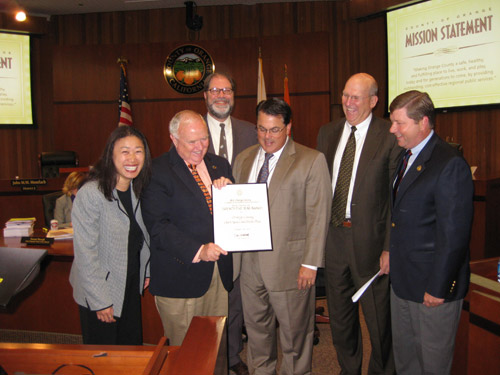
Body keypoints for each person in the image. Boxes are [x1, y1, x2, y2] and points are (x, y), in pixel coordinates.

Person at [231, 98, 332, 374]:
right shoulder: (244, 159)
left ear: (288, 127)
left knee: (294, 338)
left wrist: (310, 264)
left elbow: (318, 215)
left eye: (274, 129)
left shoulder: (311, 160)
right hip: (250, 265)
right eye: (262, 129)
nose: (267, 136)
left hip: (291, 266)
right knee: (257, 335)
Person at [316, 73, 401, 374]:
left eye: (356, 97)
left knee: (378, 321)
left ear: (374, 101)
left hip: (373, 242)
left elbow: (396, 198)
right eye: (345, 95)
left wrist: (390, 248)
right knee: (340, 316)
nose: (348, 103)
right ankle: (348, 369)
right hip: (335, 237)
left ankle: (383, 371)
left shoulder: (390, 135)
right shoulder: (327, 133)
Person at [388, 90, 473, 374]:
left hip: (431, 288)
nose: (392, 129)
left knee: (432, 365)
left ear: (423, 122)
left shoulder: (449, 164)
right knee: (406, 361)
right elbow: (399, 216)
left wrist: (439, 287)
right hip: (403, 281)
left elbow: (455, 235)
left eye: (400, 123)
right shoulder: (405, 157)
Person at [141, 110, 234, 346]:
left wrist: (231, 193)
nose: (199, 146)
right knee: (186, 352)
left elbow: (231, 215)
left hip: (218, 274)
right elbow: (158, 226)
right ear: (173, 139)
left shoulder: (220, 165)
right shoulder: (156, 170)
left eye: (203, 139)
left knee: (215, 347)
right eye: (191, 141)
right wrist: (198, 250)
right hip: (181, 277)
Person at [69, 125, 152, 345]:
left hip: (129, 285)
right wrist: (100, 301)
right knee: (104, 357)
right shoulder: (91, 193)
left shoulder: (136, 189)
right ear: (110, 156)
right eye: (124, 151)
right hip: (101, 291)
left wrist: (146, 269)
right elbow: (85, 254)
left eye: (138, 151)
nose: (132, 158)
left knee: (130, 350)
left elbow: (139, 238)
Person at [203, 72, 257, 375]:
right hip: (203, 232)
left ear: (234, 95)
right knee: (208, 298)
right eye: (215, 90)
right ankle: (209, 354)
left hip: (242, 230)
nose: (221, 95)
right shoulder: (192, 130)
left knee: (235, 297)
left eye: (227, 90)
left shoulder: (251, 131)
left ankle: (233, 354)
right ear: (206, 96)